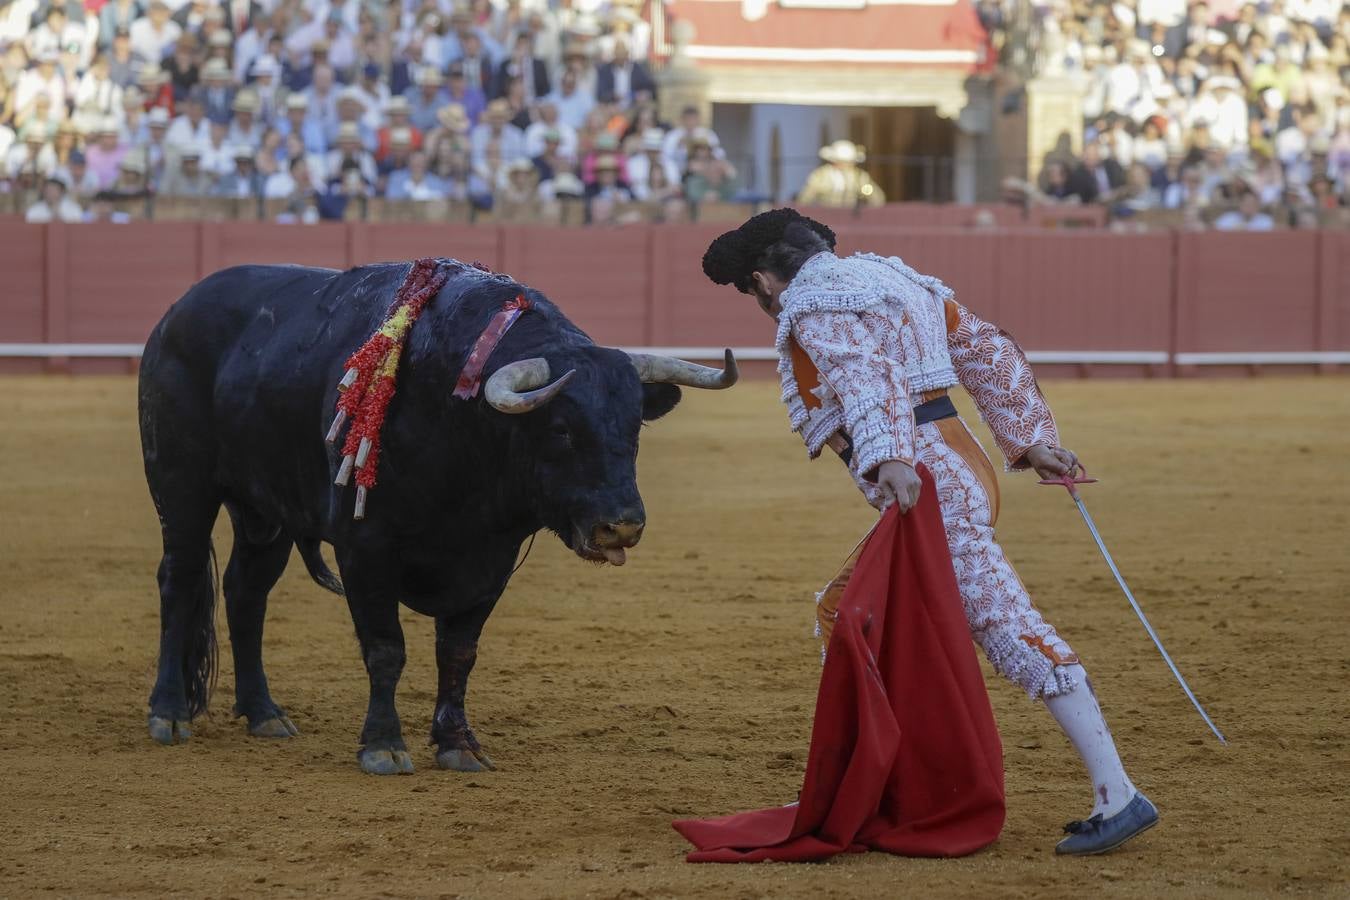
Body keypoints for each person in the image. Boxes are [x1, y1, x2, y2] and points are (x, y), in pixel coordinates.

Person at [699, 208, 1158, 856]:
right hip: (956, 463)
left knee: (1005, 625)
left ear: (763, 280)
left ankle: (1117, 793)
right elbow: (986, 350)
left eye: (753, 295)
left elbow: (867, 377)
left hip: (928, 480)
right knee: (849, 614)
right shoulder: (891, 278)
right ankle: (900, 782)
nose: (763, 307)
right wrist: (1030, 441)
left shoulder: (811, 301)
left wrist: (890, 455)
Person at [797, 139, 885, 208]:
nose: (846, 165)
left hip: (851, 217)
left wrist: (866, 190)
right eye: (843, 162)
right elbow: (804, 199)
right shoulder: (820, 175)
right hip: (825, 216)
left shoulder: (860, 176)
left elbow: (878, 199)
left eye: (849, 162)